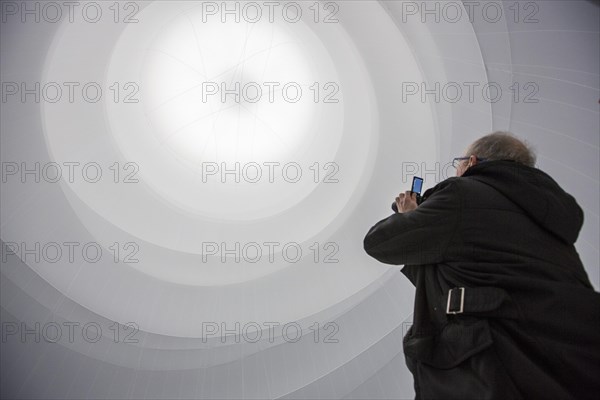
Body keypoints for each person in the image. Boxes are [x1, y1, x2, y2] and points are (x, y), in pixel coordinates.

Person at [363, 132, 600, 399]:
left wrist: (411, 214)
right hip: (577, 356)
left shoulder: (461, 194)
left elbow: (379, 242)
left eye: (459, 163)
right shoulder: (550, 219)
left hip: (492, 360)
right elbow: (465, 270)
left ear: (471, 162)